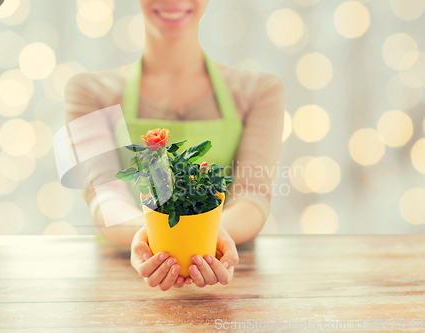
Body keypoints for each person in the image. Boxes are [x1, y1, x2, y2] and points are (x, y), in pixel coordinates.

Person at [65, 0, 285, 291]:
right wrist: (159, 238)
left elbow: (253, 196)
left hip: (230, 276)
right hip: (120, 281)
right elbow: (103, 196)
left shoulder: (260, 90)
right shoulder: (88, 91)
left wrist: (203, 237)